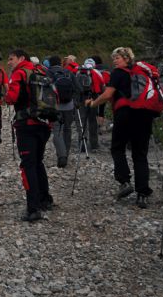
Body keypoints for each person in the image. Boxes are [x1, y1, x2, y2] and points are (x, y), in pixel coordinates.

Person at [86, 47, 156, 207]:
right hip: (144, 116)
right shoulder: (144, 72)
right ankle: (142, 194)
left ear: (126, 58)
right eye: (114, 58)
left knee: (118, 148)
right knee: (140, 154)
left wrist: (93, 104)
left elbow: (108, 94)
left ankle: (124, 181)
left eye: (117, 57)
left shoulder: (118, 73)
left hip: (125, 114)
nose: (114, 60)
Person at [6, 49, 54, 222]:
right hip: (45, 124)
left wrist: (5, 93)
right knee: (38, 162)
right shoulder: (41, 71)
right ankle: (45, 199)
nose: (9, 63)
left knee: (28, 165)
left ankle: (33, 209)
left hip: (27, 125)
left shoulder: (19, 73)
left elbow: (11, 98)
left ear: (21, 58)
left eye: (11, 59)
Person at [47, 55, 78, 167]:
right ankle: (67, 153)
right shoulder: (68, 72)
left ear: (49, 63)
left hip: (55, 106)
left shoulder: (48, 73)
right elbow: (77, 87)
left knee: (57, 130)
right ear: (60, 63)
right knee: (67, 129)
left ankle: (62, 156)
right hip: (69, 105)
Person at [76, 58, 105, 152]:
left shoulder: (79, 71)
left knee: (81, 122)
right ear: (94, 65)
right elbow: (102, 86)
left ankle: (82, 145)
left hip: (81, 99)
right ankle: (94, 145)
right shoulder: (96, 72)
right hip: (93, 98)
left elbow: (75, 85)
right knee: (92, 121)